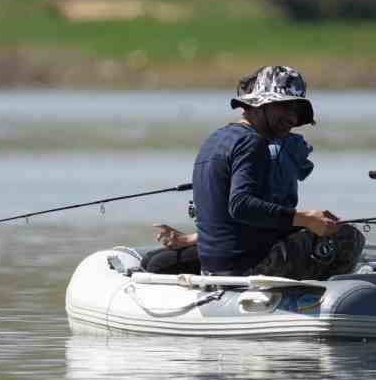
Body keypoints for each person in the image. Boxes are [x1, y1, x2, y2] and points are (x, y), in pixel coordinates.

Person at [152, 65, 363, 280]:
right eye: (285, 107)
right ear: (259, 105)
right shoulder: (252, 143)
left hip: (214, 266)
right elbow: (241, 205)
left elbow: (230, 218)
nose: (292, 118)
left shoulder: (215, 139)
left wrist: (189, 239)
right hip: (245, 268)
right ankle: (310, 302)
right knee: (348, 236)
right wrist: (306, 218)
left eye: (296, 111)